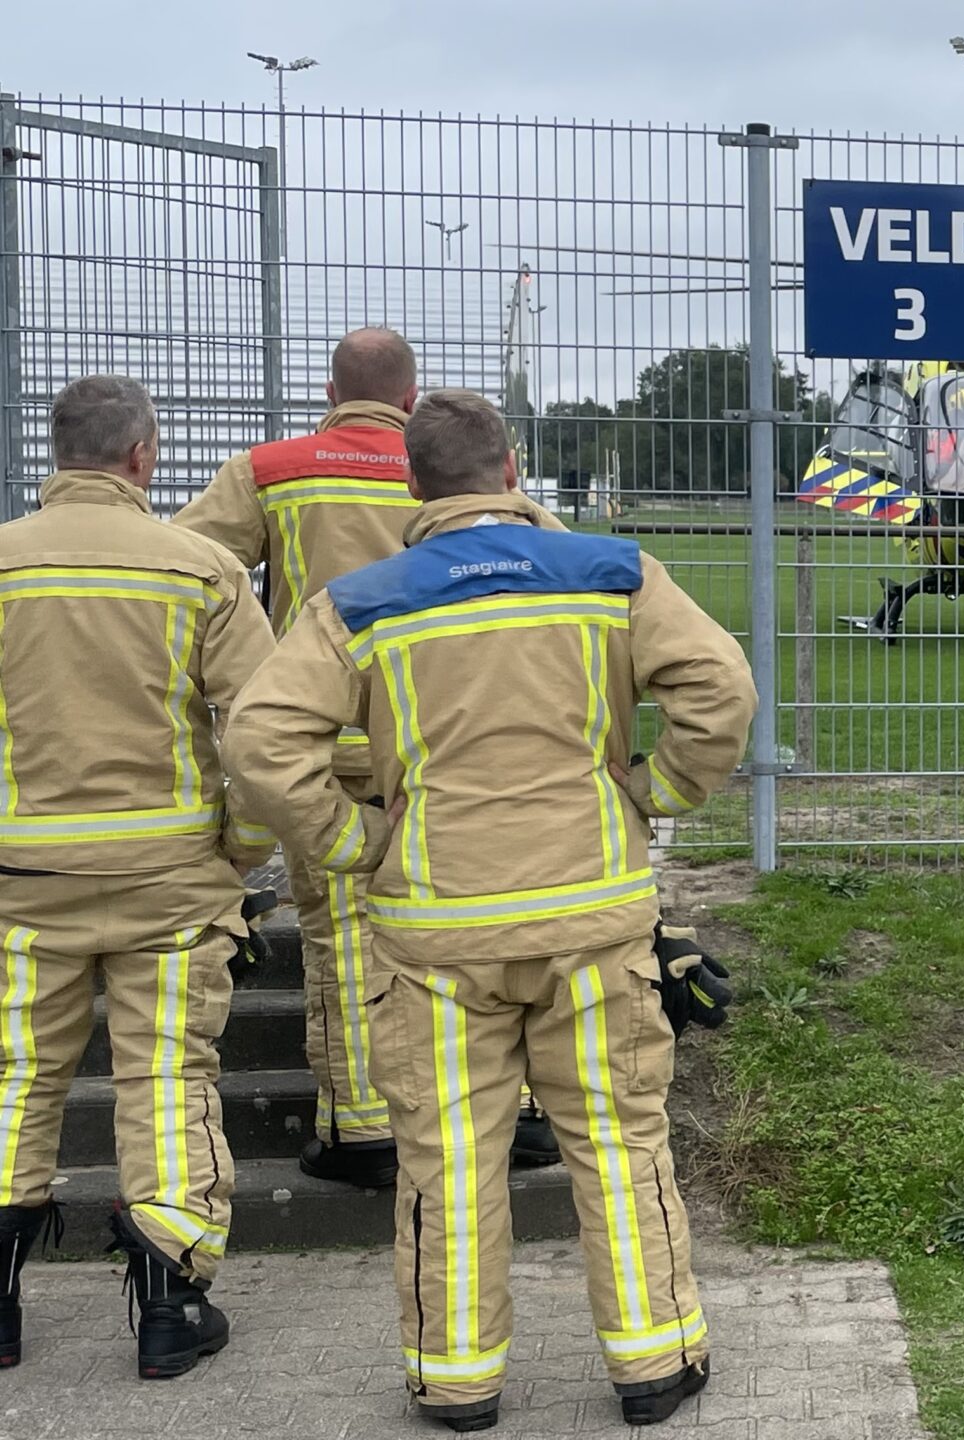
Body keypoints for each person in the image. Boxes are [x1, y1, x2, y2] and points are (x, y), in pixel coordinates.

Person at [225, 390, 754, 1431]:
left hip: (434, 932)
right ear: (512, 468)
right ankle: (654, 1365)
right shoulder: (612, 572)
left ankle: (455, 1379)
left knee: (446, 1157)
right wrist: (654, 794)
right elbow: (720, 690)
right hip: (594, 919)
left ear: (412, 487)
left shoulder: (359, 603)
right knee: (618, 1140)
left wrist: (350, 843)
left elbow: (259, 742)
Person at [175, 328, 561, 1189]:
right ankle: (527, 1118)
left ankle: (365, 1130)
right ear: (410, 393)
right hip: (458, 745)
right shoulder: (467, 466)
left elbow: (188, 562)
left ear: (327, 388)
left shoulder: (273, 469)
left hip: (334, 752)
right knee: (506, 930)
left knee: (346, 944)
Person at [0, 377, 277, 1378]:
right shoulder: (201, 570)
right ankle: (169, 1310)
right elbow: (261, 736)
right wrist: (239, 851)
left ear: (58, 453)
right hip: (172, 887)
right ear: (144, 456)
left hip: (20, 883)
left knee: (14, 1080)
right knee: (167, 1080)